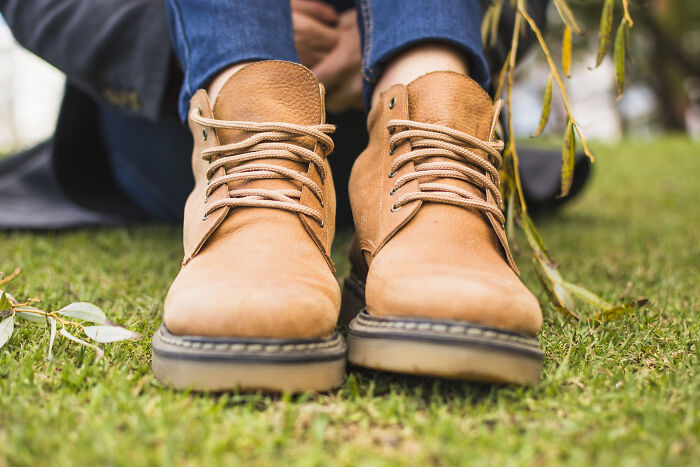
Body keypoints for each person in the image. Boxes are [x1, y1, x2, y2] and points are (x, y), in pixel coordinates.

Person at [0, 0, 589, 391]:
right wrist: (205, 42)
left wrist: (387, 40)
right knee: (237, 61)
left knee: (422, 58)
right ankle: (248, 129)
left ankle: (425, 111)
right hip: (165, 118)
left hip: (368, 109)